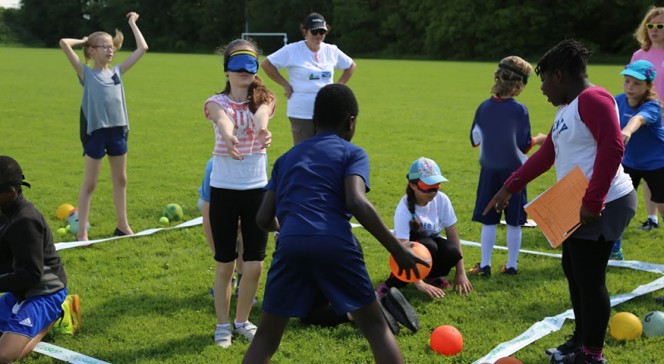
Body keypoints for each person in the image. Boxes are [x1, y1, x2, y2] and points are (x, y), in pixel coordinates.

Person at [243, 84, 427, 363]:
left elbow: (262, 219)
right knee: (377, 328)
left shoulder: (286, 159)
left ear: (314, 121)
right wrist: (397, 249)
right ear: (350, 122)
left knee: (267, 338)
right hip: (335, 243)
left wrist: (290, 229)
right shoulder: (352, 153)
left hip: (291, 245)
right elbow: (355, 201)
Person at [483, 40, 636, 364]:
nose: (540, 89)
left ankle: (592, 355)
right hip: (580, 202)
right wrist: (509, 187)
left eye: (543, 79)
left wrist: (593, 201)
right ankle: (581, 342)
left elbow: (613, 148)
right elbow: (547, 155)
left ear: (560, 75)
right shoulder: (567, 109)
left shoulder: (594, 99)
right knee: (574, 269)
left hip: (608, 200)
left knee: (589, 276)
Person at [203, 38, 276, 349]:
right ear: (227, 70)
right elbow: (223, 120)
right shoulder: (215, 102)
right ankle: (222, 325)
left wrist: (261, 131)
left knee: (255, 264)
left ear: (256, 68)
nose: (244, 72)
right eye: (238, 66)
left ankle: (242, 320)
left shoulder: (265, 98)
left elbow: (261, 115)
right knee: (224, 264)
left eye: (250, 65)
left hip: (257, 191)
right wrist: (229, 136)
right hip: (224, 191)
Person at [59, 12, 148, 241]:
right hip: (96, 134)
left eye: (111, 47)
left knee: (121, 180)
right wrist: (82, 40)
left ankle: (122, 225)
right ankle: (82, 233)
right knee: (90, 183)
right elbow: (63, 43)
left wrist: (132, 23)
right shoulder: (85, 73)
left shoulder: (117, 71)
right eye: (103, 46)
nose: (110, 50)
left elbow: (143, 48)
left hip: (118, 132)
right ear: (92, 50)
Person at [469, 56, 546, 277]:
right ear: (519, 84)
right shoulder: (519, 110)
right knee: (515, 221)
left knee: (489, 219)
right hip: (514, 172)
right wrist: (539, 139)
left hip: (489, 169)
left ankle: (485, 265)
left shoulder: (483, 107)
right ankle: (511, 265)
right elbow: (523, 145)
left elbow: (475, 140)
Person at [0, 156, 69, 362]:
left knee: (3, 355)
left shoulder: (25, 221)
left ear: (12, 192)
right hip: (20, 291)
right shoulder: (4, 211)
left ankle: (50, 321)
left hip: (44, 291)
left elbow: (31, 275)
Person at [376, 157, 474, 299]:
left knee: (452, 251)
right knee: (429, 246)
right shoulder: (404, 209)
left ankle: (432, 277)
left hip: (428, 245)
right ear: (413, 185)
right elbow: (402, 248)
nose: (434, 192)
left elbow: (453, 236)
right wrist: (419, 283)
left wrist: (461, 273)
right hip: (405, 252)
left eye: (437, 186)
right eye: (428, 187)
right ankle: (392, 282)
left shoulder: (442, 200)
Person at [261, 12, 356, 145]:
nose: (318, 36)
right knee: (303, 153)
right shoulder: (292, 50)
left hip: (327, 112)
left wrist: (338, 86)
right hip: (301, 112)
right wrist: (285, 85)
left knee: (325, 151)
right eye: (314, 31)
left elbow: (351, 66)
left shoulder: (332, 50)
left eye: (322, 32)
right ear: (305, 31)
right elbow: (267, 64)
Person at [611, 60, 664, 261]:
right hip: (629, 164)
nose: (630, 87)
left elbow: (638, 119)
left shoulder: (653, 106)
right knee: (618, 208)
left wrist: (627, 130)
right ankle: (615, 250)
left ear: (648, 86)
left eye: (636, 84)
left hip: (658, 164)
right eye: (627, 81)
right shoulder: (617, 101)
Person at [197, 157, 256, 305]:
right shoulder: (214, 167)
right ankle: (228, 277)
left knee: (246, 230)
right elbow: (207, 216)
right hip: (215, 203)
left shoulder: (257, 162)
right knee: (225, 258)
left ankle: (242, 278)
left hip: (247, 198)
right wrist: (222, 260)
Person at [630, 6, 664, 232]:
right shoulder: (639, 55)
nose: (654, 30)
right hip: (644, 120)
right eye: (650, 26)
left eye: (660, 26)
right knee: (647, 168)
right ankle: (652, 218)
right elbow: (631, 86)